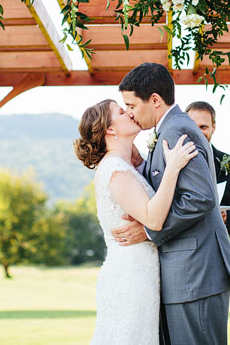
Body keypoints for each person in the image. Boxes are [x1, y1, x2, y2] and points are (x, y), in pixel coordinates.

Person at [112, 62, 230, 345]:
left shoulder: (177, 131)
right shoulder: (169, 129)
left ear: (155, 100)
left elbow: (200, 197)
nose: (130, 112)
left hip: (195, 273)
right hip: (186, 274)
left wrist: (148, 231)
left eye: (131, 104)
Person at [75, 99, 198, 345]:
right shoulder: (115, 169)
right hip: (130, 277)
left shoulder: (124, 166)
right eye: (122, 111)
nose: (130, 113)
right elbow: (153, 218)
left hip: (139, 272)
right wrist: (173, 167)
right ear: (110, 129)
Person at [186, 101, 230, 234]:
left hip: (217, 248)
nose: (197, 133)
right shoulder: (168, 161)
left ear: (213, 127)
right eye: (192, 126)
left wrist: (227, 218)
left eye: (203, 127)